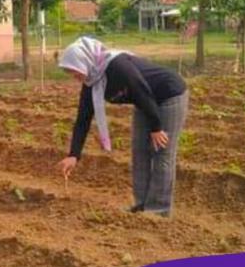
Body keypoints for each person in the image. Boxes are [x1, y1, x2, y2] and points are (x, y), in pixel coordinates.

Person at [56, 36, 188, 217]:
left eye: (74, 70)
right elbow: (83, 119)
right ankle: (141, 205)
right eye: (70, 73)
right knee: (139, 150)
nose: (74, 76)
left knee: (161, 151)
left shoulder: (117, 65)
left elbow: (141, 89)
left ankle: (159, 210)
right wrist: (74, 155)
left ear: (84, 61)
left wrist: (156, 128)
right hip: (145, 102)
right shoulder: (91, 82)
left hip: (169, 94)